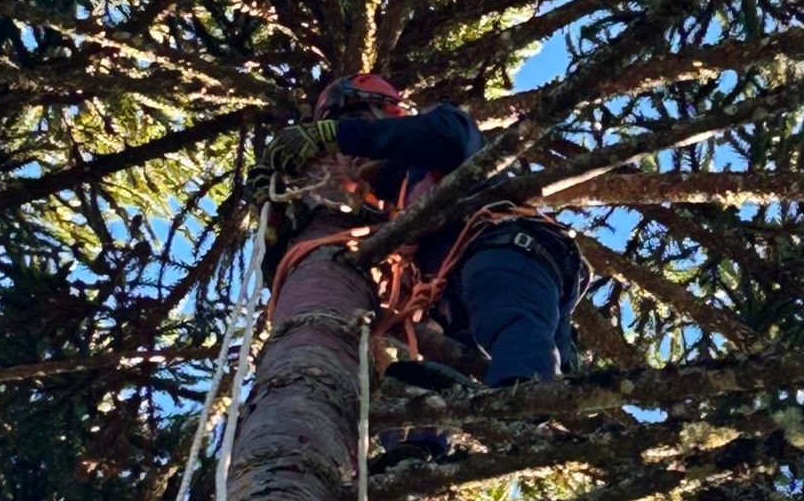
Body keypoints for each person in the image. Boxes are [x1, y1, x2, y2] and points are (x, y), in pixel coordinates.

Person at [247, 73, 588, 467]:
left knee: (504, 313)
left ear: (388, 113)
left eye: (352, 125)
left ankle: (523, 404)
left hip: (503, 247)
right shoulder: (386, 207)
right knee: (411, 382)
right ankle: (418, 453)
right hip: (457, 295)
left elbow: (450, 138)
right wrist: (278, 216)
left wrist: (337, 135)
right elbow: (309, 275)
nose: (346, 156)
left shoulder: (438, 134)